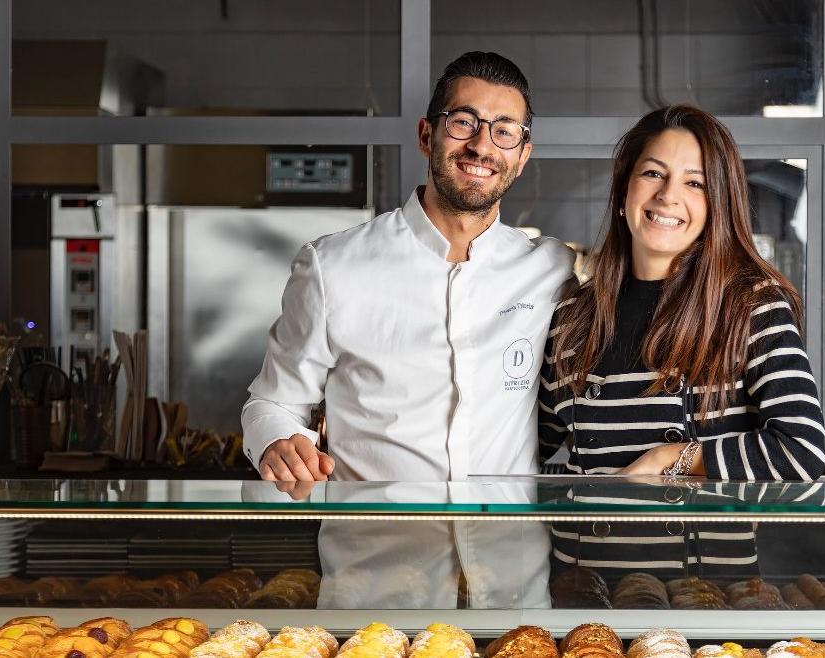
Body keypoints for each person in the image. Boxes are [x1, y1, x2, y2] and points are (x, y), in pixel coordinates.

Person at [241, 51, 577, 481]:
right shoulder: (332, 267)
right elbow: (271, 404)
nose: (481, 145)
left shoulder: (551, 270)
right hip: (378, 546)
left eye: (504, 132)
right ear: (426, 134)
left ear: (522, 155)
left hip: (507, 546)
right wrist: (276, 441)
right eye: (462, 122)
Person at [538, 104, 825, 584]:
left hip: (705, 604)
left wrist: (673, 457)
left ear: (718, 203)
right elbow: (529, 449)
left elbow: (800, 451)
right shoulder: (572, 317)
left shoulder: (748, 305)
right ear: (623, 192)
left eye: (695, 183)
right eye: (653, 173)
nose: (669, 196)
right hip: (585, 601)